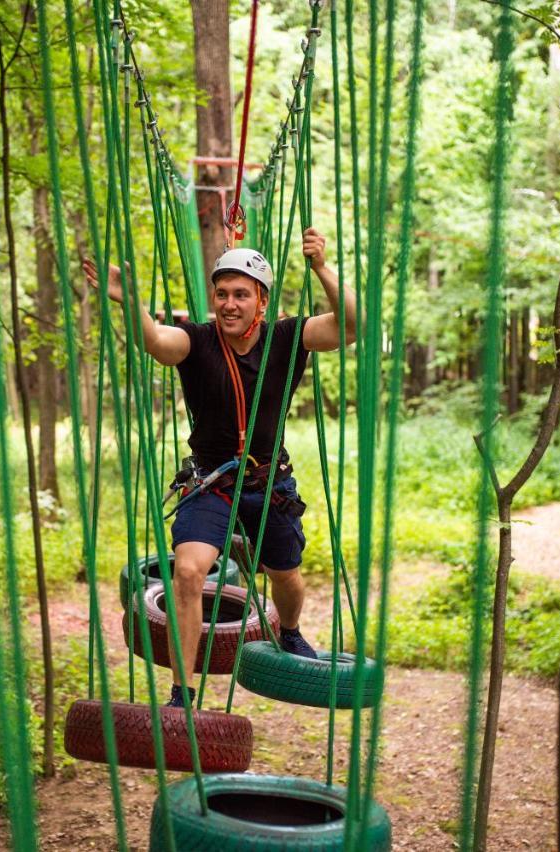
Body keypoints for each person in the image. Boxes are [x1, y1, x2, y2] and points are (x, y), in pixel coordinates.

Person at [83, 227, 356, 707]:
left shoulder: (288, 338)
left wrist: (321, 269)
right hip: (210, 482)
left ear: (261, 303)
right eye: (222, 294)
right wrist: (130, 304)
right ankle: (184, 692)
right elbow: (157, 343)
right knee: (189, 573)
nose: (230, 304)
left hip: (270, 482)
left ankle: (288, 631)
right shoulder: (197, 341)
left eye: (241, 295)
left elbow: (352, 326)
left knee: (284, 575)